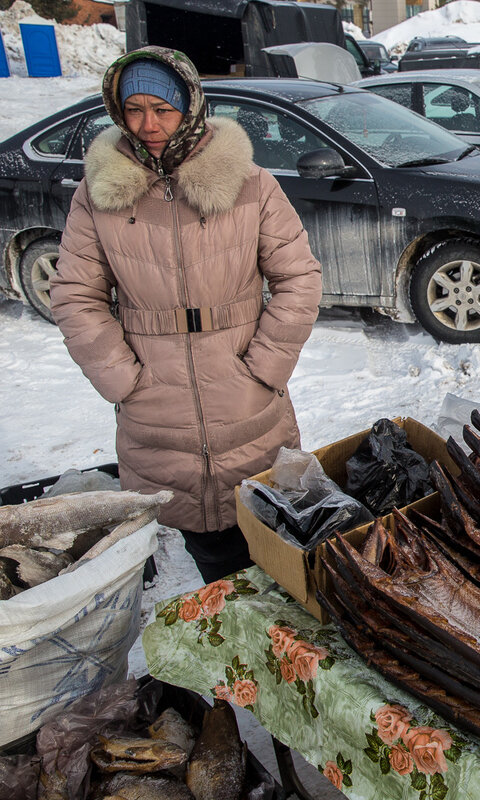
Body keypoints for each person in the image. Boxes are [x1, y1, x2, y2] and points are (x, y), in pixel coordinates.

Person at [49, 47, 323, 583]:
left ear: (190, 106)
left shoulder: (250, 184)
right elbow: (75, 296)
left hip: (247, 395)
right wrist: (124, 380)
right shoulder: (98, 195)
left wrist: (264, 367)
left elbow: (299, 277)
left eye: (162, 108)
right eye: (134, 109)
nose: (148, 124)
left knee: (275, 541)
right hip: (156, 406)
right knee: (214, 561)